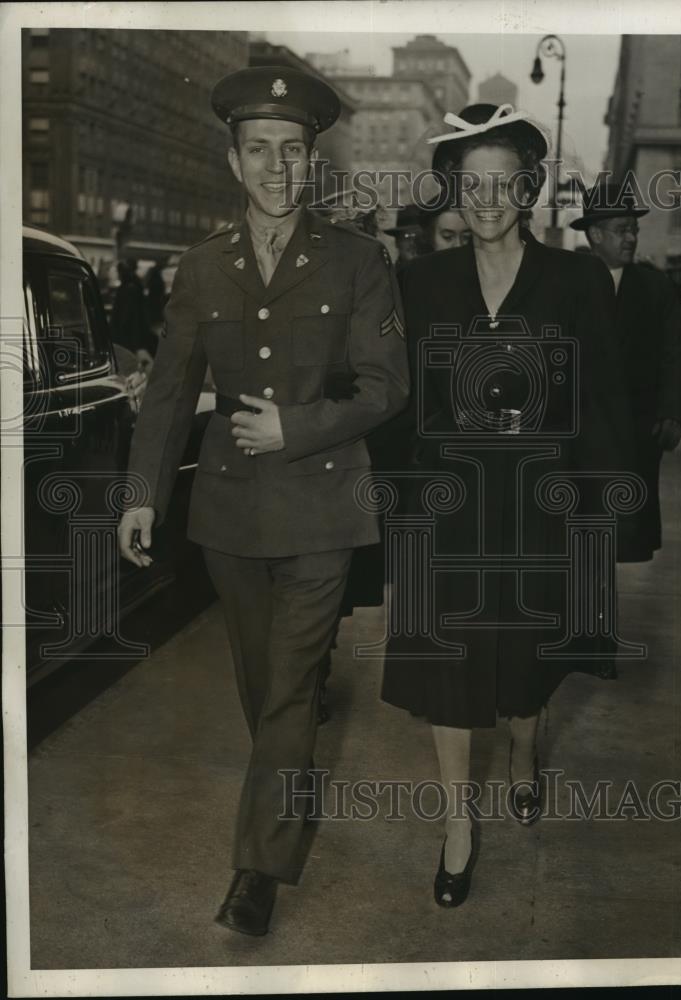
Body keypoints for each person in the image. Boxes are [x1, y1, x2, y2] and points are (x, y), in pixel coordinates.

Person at [117, 65, 409, 937]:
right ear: (233, 160)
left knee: (288, 690)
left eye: (292, 150)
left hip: (325, 508)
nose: (277, 167)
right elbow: (170, 390)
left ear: (310, 160)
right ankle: (290, 788)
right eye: (259, 150)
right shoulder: (204, 268)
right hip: (232, 515)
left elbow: (386, 386)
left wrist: (298, 427)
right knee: (264, 688)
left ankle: (257, 870)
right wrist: (141, 496)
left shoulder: (360, 260)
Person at [381, 104, 635, 908]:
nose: (487, 198)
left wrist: (601, 518)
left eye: (504, 181)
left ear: (529, 186)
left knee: (526, 674)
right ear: (451, 187)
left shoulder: (576, 278)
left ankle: (526, 748)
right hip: (448, 513)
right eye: (470, 181)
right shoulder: (419, 284)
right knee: (447, 673)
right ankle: (458, 824)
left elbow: (603, 403)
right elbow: (399, 404)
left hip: (540, 513)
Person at [571, 181, 681, 561]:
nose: (631, 238)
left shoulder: (656, 288)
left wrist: (672, 411)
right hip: (581, 423)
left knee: (626, 523)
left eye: (634, 229)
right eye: (622, 229)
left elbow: (677, 351)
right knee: (579, 519)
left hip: (639, 424)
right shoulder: (568, 283)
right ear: (595, 234)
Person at [110, 258, 156, 375]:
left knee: (131, 364)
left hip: (128, 337)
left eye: (118, 271)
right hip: (135, 335)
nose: (118, 275)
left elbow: (126, 317)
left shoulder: (128, 288)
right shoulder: (135, 286)